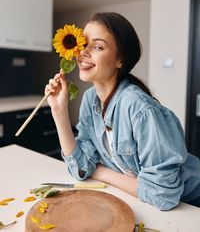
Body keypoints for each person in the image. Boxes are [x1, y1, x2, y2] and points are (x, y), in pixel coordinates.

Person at [45, 12, 200, 211]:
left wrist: (100, 173)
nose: (83, 52)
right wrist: (59, 111)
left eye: (98, 46)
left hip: (191, 206)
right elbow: (81, 168)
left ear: (120, 59)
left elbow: (162, 194)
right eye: (83, 44)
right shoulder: (90, 99)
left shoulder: (138, 106)